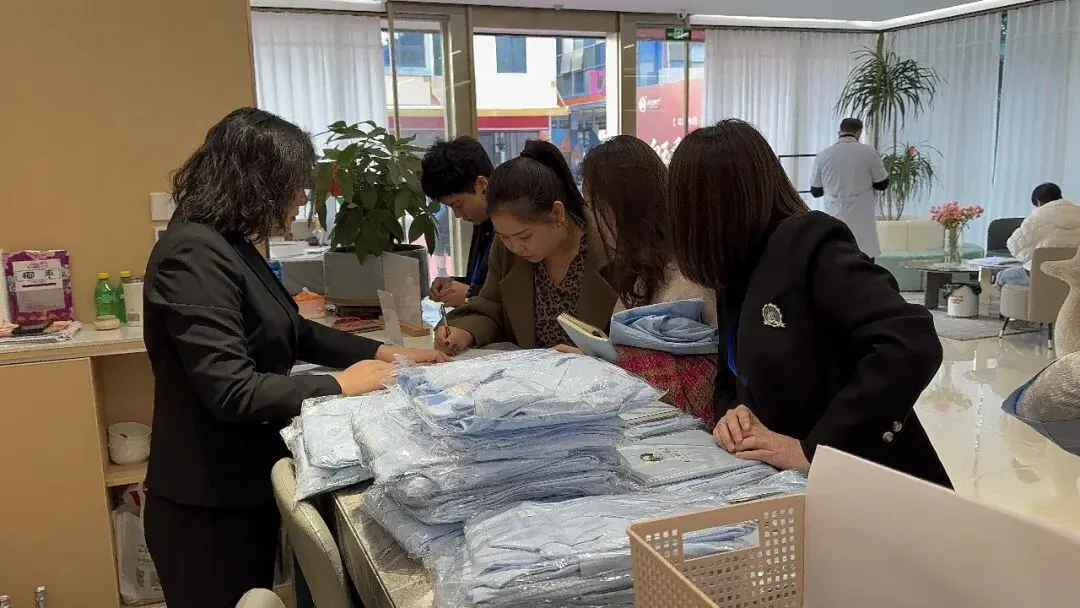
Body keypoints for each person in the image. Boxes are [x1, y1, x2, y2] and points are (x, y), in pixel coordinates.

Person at [142, 108, 448, 608]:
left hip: (240, 482)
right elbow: (233, 391)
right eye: (296, 186)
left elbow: (295, 330)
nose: (302, 198)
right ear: (259, 183)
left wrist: (383, 350)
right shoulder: (193, 254)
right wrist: (341, 386)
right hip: (208, 501)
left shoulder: (229, 242)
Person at [670, 119, 951, 488]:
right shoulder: (734, 269)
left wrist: (816, 449)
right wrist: (732, 413)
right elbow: (731, 375)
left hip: (869, 486)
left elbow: (910, 343)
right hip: (787, 485)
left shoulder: (807, 243)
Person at [435, 140, 617, 353]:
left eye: (525, 236)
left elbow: (638, 343)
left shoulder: (610, 251)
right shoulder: (507, 250)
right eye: (504, 237)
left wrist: (594, 358)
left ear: (557, 213)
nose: (516, 247)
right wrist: (464, 331)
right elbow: (492, 307)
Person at [421, 136, 496, 307]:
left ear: (481, 185)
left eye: (458, 205)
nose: (457, 215)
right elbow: (485, 282)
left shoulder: (512, 228)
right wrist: (454, 284)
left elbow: (518, 298)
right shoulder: (483, 221)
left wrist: (470, 295)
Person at [810, 118, 889, 261]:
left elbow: (816, 191)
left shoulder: (823, 155)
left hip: (834, 216)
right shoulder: (869, 153)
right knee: (864, 258)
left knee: (836, 257)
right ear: (859, 133)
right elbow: (882, 184)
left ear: (839, 132)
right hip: (862, 218)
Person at [997, 182, 1080, 288]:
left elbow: (1014, 245)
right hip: (1074, 275)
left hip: (1041, 274)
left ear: (1039, 202)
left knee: (1001, 276)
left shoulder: (1036, 218)